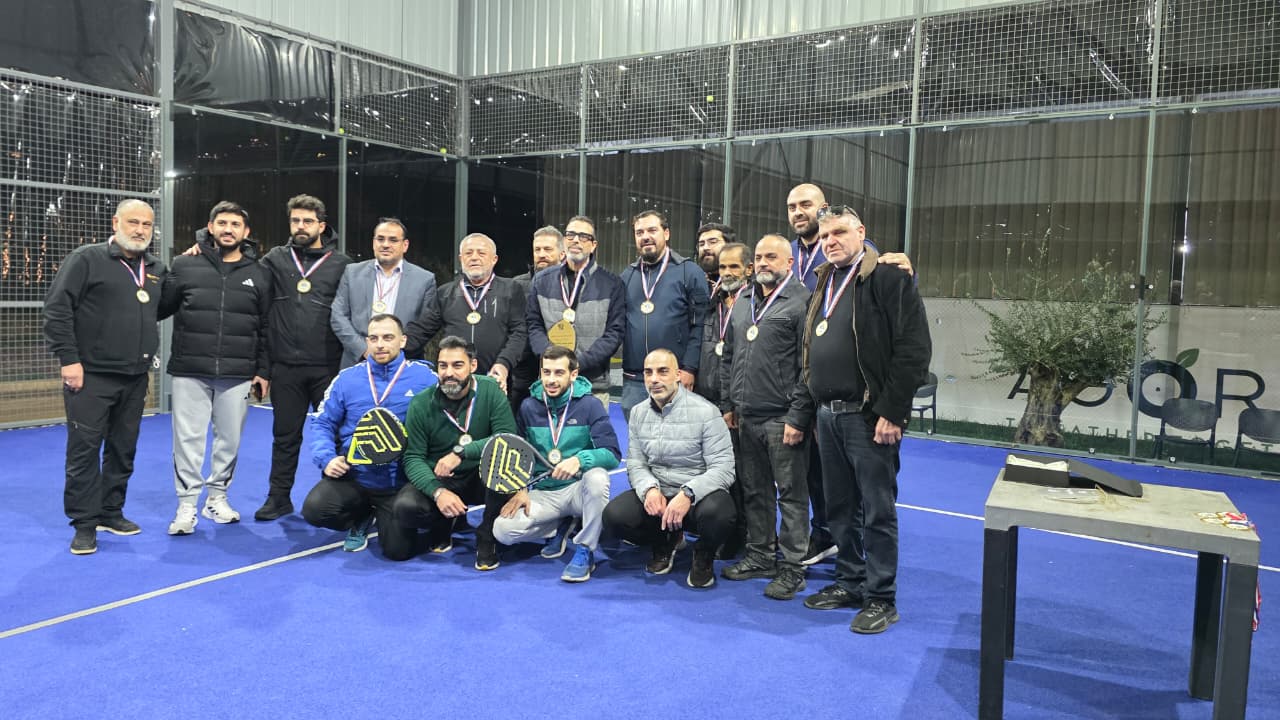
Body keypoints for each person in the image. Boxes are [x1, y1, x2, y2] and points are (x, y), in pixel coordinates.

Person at [801, 205, 931, 634]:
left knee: (877, 510)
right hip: (828, 416)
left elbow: (913, 351)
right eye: (824, 236)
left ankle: (881, 598)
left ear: (861, 232)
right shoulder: (824, 280)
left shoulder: (889, 278)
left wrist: (892, 411)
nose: (831, 241)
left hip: (868, 417)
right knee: (840, 509)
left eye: (839, 232)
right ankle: (851, 581)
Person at [785, 182, 915, 566]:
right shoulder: (799, 261)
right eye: (791, 206)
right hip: (817, 398)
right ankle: (844, 566)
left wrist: (892, 410)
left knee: (873, 503)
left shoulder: (876, 265)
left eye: (806, 204)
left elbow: (908, 346)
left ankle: (878, 588)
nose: (798, 212)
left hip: (864, 407)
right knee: (830, 491)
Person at [43, 199, 168, 555]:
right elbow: (57, 309)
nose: (140, 230)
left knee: (123, 450)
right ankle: (84, 524)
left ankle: (111, 512)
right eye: (133, 222)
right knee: (83, 451)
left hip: (135, 376)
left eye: (146, 224)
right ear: (116, 223)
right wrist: (69, 360)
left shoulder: (156, 268)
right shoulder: (86, 259)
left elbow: (161, 306)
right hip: (90, 376)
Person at [159, 201, 271, 535]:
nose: (228, 229)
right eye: (222, 223)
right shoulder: (185, 264)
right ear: (210, 227)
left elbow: (266, 327)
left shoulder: (260, 273)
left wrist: (263, 370)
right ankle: (186, 505)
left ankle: (217, 498)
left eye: (235, 224)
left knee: (229, 441)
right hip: (190, 369)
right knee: (188, 441)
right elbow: (161, 307)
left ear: (246, 232)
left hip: (238, 373)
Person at [718, 235, 814, 600]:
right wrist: (729, 404)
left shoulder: (802, 301)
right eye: (758, 257)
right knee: (755, 491)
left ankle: (793, 567)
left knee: (791, 496)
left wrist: (798, 416)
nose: (762, 263)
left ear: (789, 263)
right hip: (746, 416)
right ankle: (760, 555)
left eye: (771, 257)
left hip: (782, 419)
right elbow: (728, 357)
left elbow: (808, 366)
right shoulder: (743, 300)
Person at [301, 314, 437, 558]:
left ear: (403, 341)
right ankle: (361, 515)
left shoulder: (425, 378)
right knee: (315, 510)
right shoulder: (347, 379)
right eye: (374, 338)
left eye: (388, 337)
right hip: (356, 477)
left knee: (398, 552)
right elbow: (322, 422)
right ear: (367, 342)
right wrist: (326, 458)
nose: (380, 344)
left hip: (399, 482)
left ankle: (404, 520)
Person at [602, 349, 736, 589]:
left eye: (663, 371)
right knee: (614, 517)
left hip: (697, 499)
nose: (654, 379)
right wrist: (649, 490)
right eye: (648, 372)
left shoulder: (706, 412)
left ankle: (703, 554)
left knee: (720, 514)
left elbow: (724, 468)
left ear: (678, 375)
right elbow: (636, 462)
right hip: (660, 495)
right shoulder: (638, 413)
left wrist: (689, 493)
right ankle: (666, 540)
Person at [492, 346, 621, 582]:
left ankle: (585, 549)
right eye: (546, 372)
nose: (551, 380)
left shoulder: (590, 405)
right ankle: (560, 524)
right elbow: (519, 455)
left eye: (559, 373)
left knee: (598, 478)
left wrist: (579, 460)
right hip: (545, 493)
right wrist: (520, 488)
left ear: (573, 374)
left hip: (578, 490)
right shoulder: (528, 407)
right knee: (502, 530)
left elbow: (613, 454)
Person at [394, 336, 517, 568]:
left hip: (482, 477)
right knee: (406, 508)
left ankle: (487, 535)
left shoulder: (491, 391)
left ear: (473, 365)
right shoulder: (421, 403)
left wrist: (462, 452)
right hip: (443, 478)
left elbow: (507, 439)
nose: (449, 373)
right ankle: (442, 521)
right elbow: (412, 457)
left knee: (503, 465)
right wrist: (438, 492)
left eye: (457, 365)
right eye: (443, 366)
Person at [404, 233, 525, 395]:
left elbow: (519, 333)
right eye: (468, 253)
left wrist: (504, 364)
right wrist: (394, 346)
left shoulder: (510, 289)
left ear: (494, 259)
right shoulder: (445, 293)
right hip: (454, 381)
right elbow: (421, 330)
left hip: (495, 379)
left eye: (481, 253)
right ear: (461, 259)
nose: (474, 257)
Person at [527, 215, 625, 411]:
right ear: (564, 241)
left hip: (593, 386)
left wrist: (576, 363)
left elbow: (614, 333)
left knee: (592, 433)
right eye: (571, 235)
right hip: (550, 383)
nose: (576, 240)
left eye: (583, 236)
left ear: (593, 245)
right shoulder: (541, 281)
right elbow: (534, 324)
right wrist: (554, 363)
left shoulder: (612, 284)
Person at [619, 210, 709, 417]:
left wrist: (689, 368)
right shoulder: (627, 276)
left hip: (674, 378)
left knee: (676, 435)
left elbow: (700, 326)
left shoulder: (689, 271)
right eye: (639, 232)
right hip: (635, 379)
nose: (645, 237)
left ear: (666, 233)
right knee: (637, 436)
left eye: (652, 230)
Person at [693, 240, 750, 560]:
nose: (727, 273)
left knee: (743, 476)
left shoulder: (753, 302)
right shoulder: (712, 301)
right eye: (723, 267)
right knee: (716, 472)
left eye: (733, 267)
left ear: (747, 270)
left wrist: (732, 403)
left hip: (737, 404)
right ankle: (724, 531)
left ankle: (746, 535)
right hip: (707, 398)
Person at [330, 217, 437, 368]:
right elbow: (338, 315)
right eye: (380, 239)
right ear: (374, 243)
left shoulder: (424, 279)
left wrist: (395, 350)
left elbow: (426, 325)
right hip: (358, 361)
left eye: (393, 240)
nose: (385, 244)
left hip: (404, 364)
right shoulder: (352, 273)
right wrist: (363, 349)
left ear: (405, 245)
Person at [510, 226, 566, 414]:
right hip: (522, 374)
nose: (541, 254)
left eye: (548, 249)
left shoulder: (573, 285)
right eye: (537, 249)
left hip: (558, 369)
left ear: (562, 253)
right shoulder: (517, 285)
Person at [694, 222, 735, 291]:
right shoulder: (692, 282)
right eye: (701, 244)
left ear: (729, 245)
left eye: (713, 242)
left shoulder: (744, 284)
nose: (705, 248)